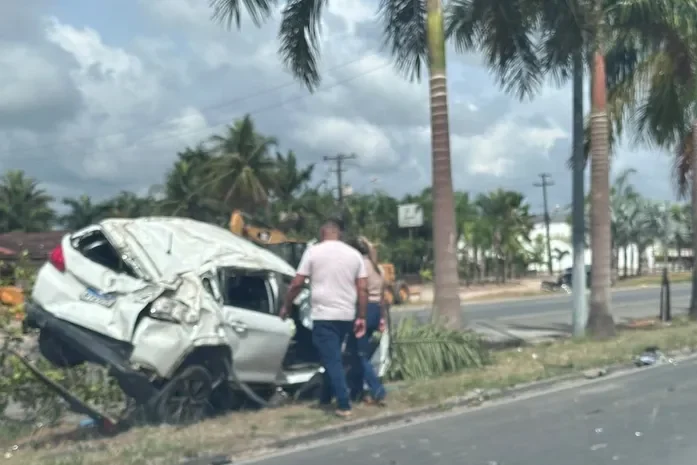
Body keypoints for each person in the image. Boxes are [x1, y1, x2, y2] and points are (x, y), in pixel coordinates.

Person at [280, 219, 368, 418]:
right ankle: (325, 398)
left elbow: (297, 283)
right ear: (339, 233)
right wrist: (361, 316)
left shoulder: (313, 252)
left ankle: (344, 404)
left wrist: (286, 305)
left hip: (324, 315)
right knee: (330, 357)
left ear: (322, 233)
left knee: (332, 359)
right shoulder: (354, 255)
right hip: (346, 315)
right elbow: (363, 288)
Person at [346, 237, 387, 405]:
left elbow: (358, 290)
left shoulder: (359, 266)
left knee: (358, 354)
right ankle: (357, 392)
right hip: (376, 310)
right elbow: (383, 297)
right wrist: (382, 318)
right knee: (359, 353)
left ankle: (377, 389)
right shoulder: (378, 268)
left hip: (364, 309)